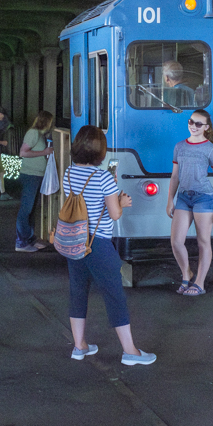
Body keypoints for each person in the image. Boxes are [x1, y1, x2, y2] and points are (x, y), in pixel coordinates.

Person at [62, 126, 156, 366]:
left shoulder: (68, 173)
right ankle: (130, 351)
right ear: (99, 151)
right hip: (98, 245)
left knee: (78, 292)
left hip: (75, 242)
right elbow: (114, 215)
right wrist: (121, 201)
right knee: (115, 295)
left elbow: (80, 206)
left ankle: (79, 345)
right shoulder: (104, 177)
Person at [165, 109, 213, 296]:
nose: (193, 126)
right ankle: (186, 272)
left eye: (198, 124)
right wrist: (170, 199)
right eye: (191, 122)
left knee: (203, 241)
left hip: (204, 197)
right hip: (183, 197)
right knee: (176, 241)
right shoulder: (180, 146)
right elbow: (174, 176)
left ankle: (200, 283)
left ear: (206, 127)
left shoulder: (211, 148)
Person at [14, 110, 55, 252]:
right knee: (26, 209)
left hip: (36, 175)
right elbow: (23, 152)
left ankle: (29, 239)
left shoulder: (40, 135)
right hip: (30, 175)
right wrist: (44, 153)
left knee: (30, 210)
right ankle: (22, 242)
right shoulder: (33, 133)